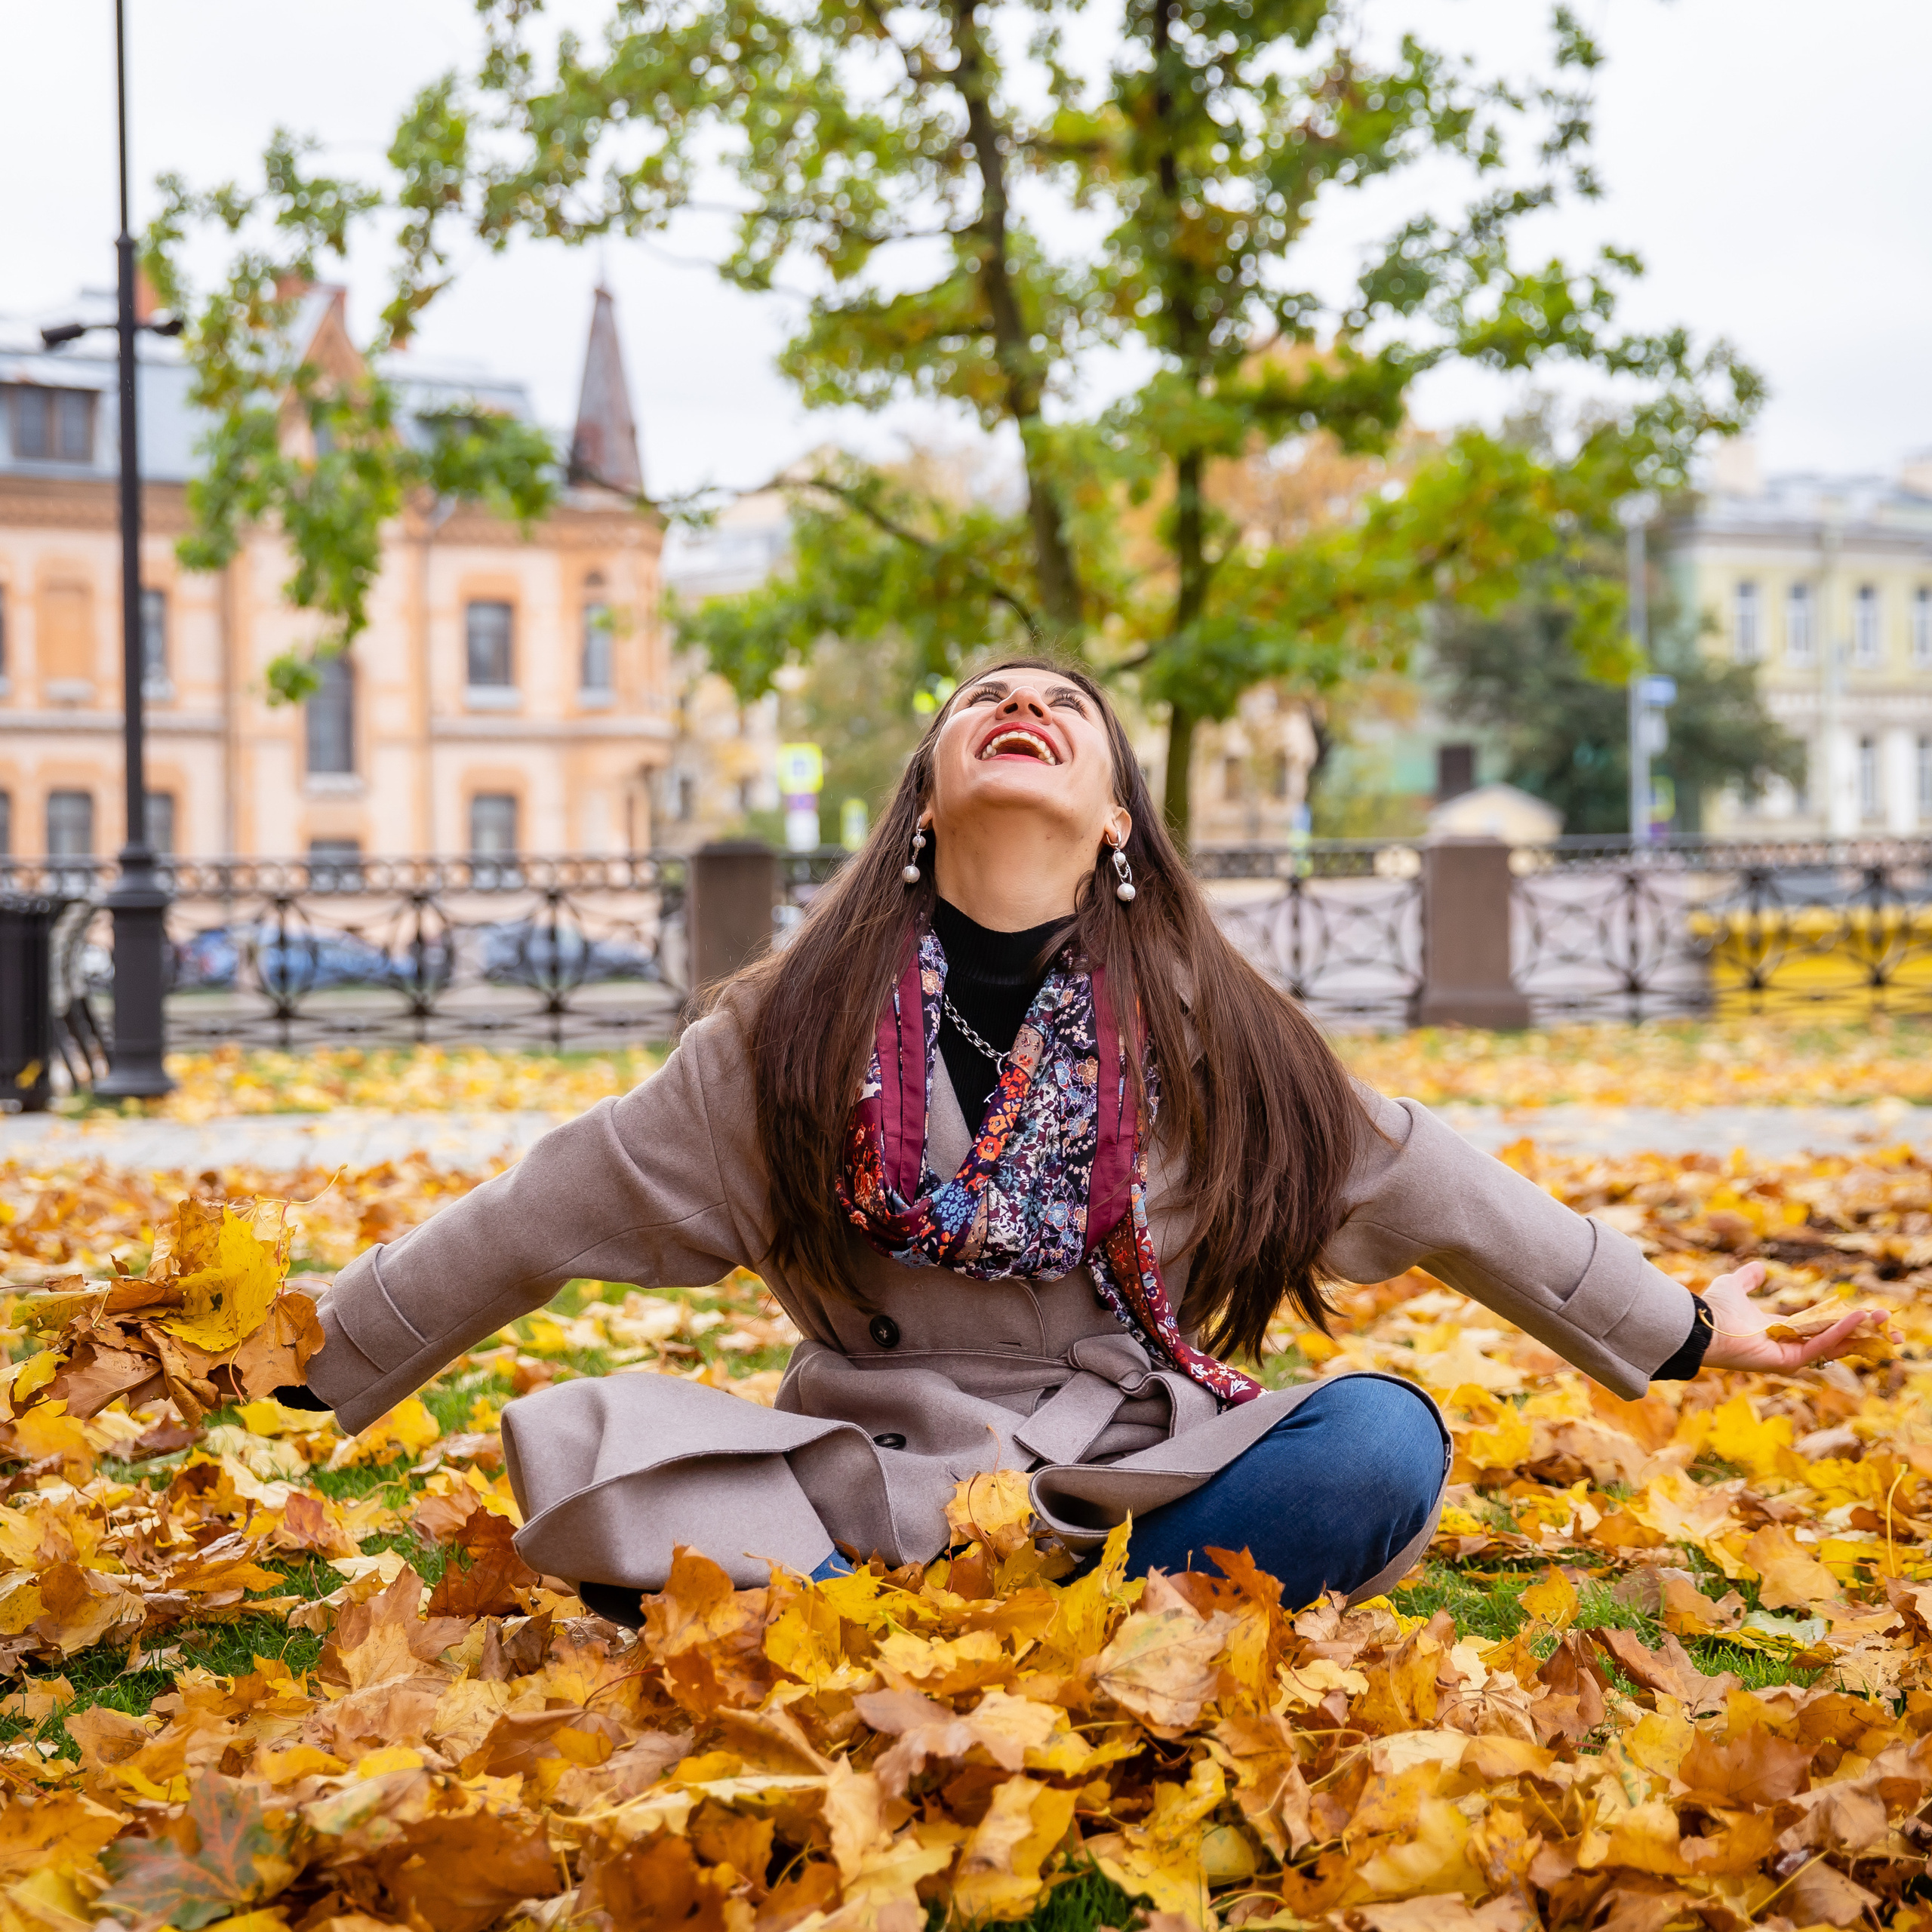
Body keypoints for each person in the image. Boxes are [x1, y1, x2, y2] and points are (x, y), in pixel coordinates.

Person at [288, 659, 1883, 1622]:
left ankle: (1030, 1615)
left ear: (1115, 814)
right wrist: (305, 1360)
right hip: (875, 1476)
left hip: (1137, 1468)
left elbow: (1437, 1181)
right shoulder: (782, 1039)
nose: (1022, 705)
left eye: (1062, 705)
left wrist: (1679, 1328)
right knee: (591, 1450)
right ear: (923, 798)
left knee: (1383, 1443)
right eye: (985, 699)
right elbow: (531, 1213)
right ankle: (976, 1613)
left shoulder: (1218, 1035)